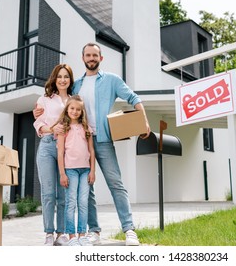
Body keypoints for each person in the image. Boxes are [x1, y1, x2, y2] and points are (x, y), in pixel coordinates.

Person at [34, 43, 150, 246]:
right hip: (78, 141)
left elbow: (133, 97)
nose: (91, 58)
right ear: (83, 58)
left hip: (103, 139)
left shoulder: (112, 80)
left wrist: (144, 120)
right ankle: (94, 230)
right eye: (88, 55)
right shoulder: (76, 86)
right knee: (87, 189)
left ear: (101, 58)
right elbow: (60, 108)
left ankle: (129, 229)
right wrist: (38, 114)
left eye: (95, 55)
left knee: (116, 183)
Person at [33, 64, 74, 246]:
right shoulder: (44, 99)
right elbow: (38, 123)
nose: (63, 80)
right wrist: (52, 128)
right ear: (54, 79)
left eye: (66, 77)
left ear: (70, 80)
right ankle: (49, 234)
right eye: (60, 76)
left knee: (64, 194)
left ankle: (62, 234)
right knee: (48, 193)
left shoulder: (74, 101)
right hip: (48, 145)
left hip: (67, 148)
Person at [55, 95, 96, 246]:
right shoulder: (63, 128)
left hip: (85, 170)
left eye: (78, 109)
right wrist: (62, 174)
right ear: (67, 109)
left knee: (83, 202)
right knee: (71, 202)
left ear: (82, 111)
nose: (75, 111)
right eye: (72, 108)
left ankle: (82, 235)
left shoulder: (86, 128)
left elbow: (91, 150)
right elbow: (60, 153)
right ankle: (71, 236)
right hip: (70, 170)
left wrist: (93, 171)